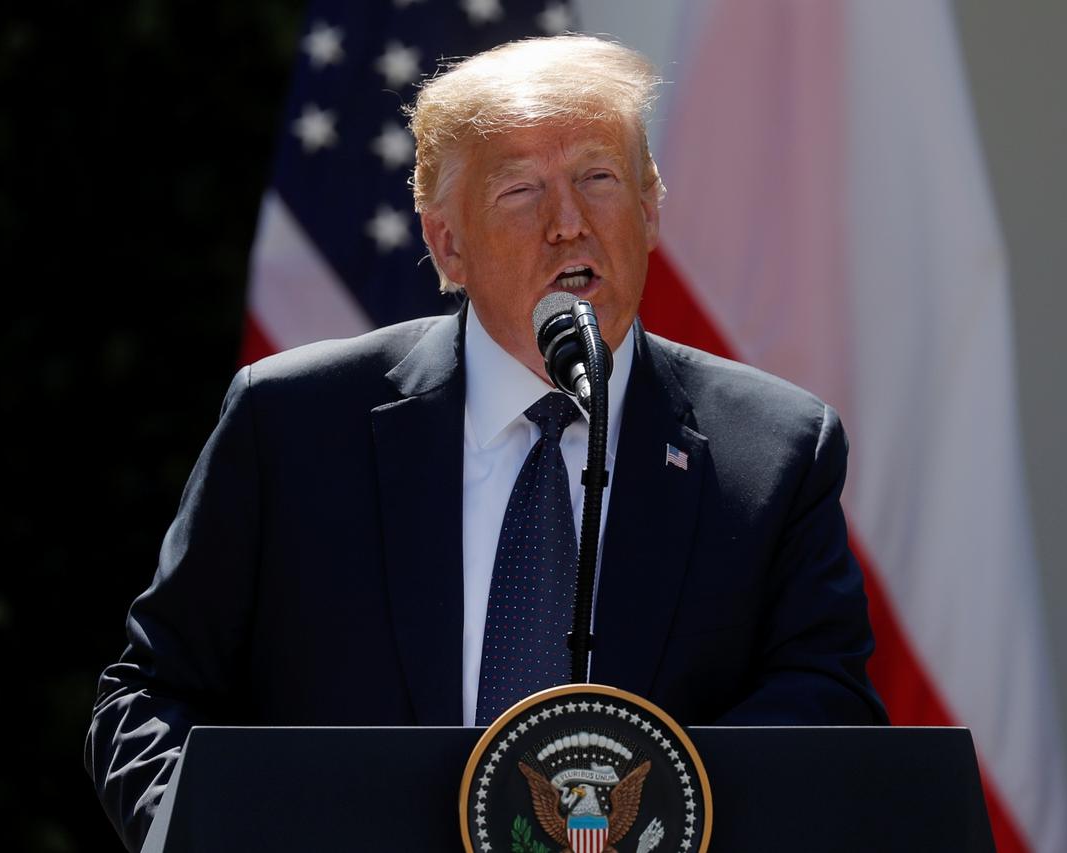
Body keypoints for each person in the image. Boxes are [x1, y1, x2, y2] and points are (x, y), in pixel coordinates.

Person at [85, 34, 886, 852]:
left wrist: (671, 810)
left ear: (650, 209)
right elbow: (151, 696)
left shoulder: (777, 448)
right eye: (520, 190)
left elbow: (826, 704)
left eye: (598, 179)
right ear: (447, 245)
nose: (568, 224)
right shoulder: (291, 425)